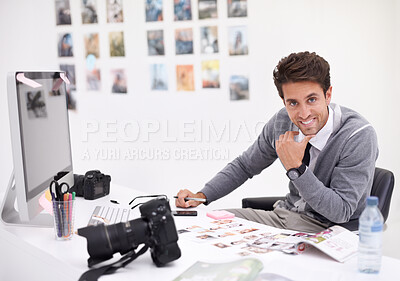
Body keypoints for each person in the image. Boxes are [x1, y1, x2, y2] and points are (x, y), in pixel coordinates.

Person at [175, 51, 378, 233]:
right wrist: (201, 196)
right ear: (284, 101)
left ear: (328, 95)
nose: (304, 113)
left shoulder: (358, 135)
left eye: (312, 100)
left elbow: (341, 211)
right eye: (293, 103)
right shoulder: (283, 121)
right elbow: (245, 166)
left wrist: (296, 168)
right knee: (206, 224)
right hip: (287, 218)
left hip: (331, 231)